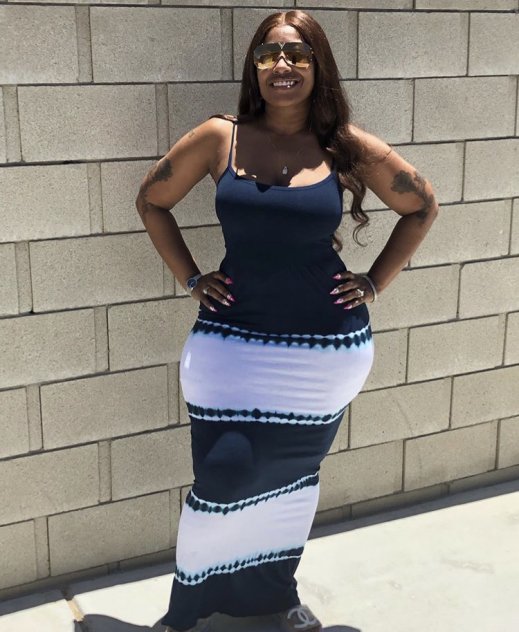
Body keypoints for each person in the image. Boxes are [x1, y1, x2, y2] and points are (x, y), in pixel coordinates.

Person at [135, 9, 439, 632]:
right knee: (220, 478)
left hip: (322, 353)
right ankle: (186, 611)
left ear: (317, 66)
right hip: (229, 342)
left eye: (297, 55)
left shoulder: (344, 144)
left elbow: (421, 206)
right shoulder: (220, 138)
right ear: (253, 66)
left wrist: (374, 282)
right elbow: (152, 201)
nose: (282, 65)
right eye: (269, 54)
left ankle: (275, 597)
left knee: (291, 482)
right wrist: (191, 278)